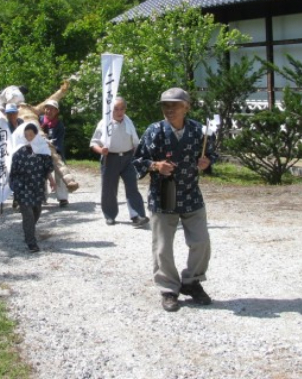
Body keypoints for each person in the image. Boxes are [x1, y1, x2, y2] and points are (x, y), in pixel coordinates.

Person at [132, 87, 216, 312]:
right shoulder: (154, 131)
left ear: (186, 107)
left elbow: (212, 154)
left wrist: (207, 162)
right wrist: (155, 165)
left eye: (175, 105)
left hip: (191, 193)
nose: (169, 109)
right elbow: (138, 160)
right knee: (162, 246)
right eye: (165, 105)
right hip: (163, 194)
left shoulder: (200, 131)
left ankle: (192, 281)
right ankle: (169, 288)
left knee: (201, 241)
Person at [90, 97, 149, 227]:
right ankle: (110, 215)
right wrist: (101, 151)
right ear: (111, 110)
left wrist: (135, 155)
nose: (119, 111)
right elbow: (93, 143)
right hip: (110, 158)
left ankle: (137, 215)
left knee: (132, 187)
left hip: (128, 158)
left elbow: (135, 141)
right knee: (109, 189)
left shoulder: (128, 122)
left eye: (122, 108)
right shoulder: (104, 123)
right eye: (116, 109)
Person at [9, 123, 55, 253]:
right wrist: (14, 188)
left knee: (37, 211)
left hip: (37, 186)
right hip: (23, 187)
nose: (29, 137)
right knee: (28, 214)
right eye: (26, 135)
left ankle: (28, 230)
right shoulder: (19, 151)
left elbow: (47, 168)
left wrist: (51, 180)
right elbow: (13, 171)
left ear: (36, 135)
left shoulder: (42, 149)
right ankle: (31, 242)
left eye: (31, 135)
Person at [40, 100, 68, 207]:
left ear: (56, 111)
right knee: (41, 174)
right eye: (47, 108)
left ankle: (62, 198)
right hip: (41, 151)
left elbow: (58, 141)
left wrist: (52, 146)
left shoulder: (59, 125)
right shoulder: (40, 120)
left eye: (52, 109)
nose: (49, 111)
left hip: (56, 151)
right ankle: (42, 197)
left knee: (60, 173)